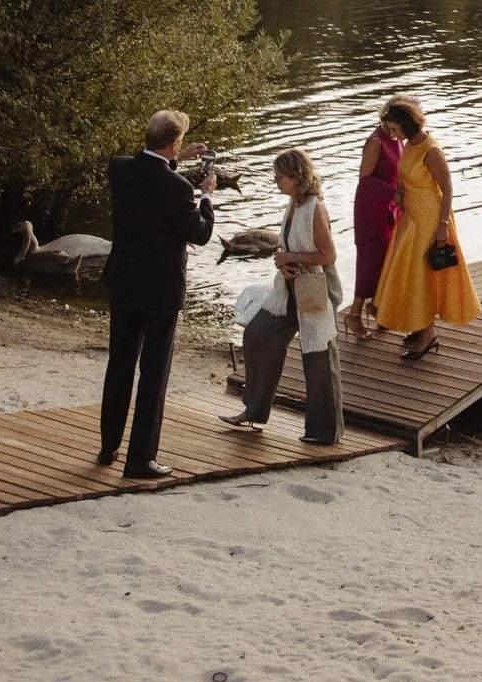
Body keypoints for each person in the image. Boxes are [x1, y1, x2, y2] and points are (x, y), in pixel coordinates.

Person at [99, 108, 217, 479]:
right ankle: (140, 459)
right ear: (173, 142)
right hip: (160, 289)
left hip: (123, 281)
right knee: (153, 373)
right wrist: (207, 198)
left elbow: (148, 180)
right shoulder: (179, 189)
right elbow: (199, 233)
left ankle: (108, 446)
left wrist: (175, 159)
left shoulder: (119, 169)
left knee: (119, 364)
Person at [223, 149, 343, 445]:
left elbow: (328, 255)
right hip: (288, 289)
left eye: (279, 177)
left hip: (316, 289)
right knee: (257, 335)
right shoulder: (294, 203)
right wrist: (284, 260)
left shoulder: (315, 208)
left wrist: (291, 257)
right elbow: (292, 247)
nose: (276, 182)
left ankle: (324, 431)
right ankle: (254, 411)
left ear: (296, 177)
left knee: (318, 358)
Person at [372, 100, 482, 358]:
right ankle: (421, 327)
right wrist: (399, 192)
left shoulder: (431, 150)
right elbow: (404, 175)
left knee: (422, 275)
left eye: (392, 127)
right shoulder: (410, 144)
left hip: (430, 219)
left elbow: (447, 188)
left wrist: (443, 225)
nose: (390, 132)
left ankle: (428, 335)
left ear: (405, 123)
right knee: (412, 275)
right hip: (411, 219)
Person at [347, 104, 407, 340]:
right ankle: (354, 314)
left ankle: (377, 307)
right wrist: (394, 194)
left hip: (389, 205)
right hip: (371, 207)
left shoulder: (397, 138)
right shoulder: (376, 141)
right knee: (369, 261)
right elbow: (365, 178)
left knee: (386, 257)